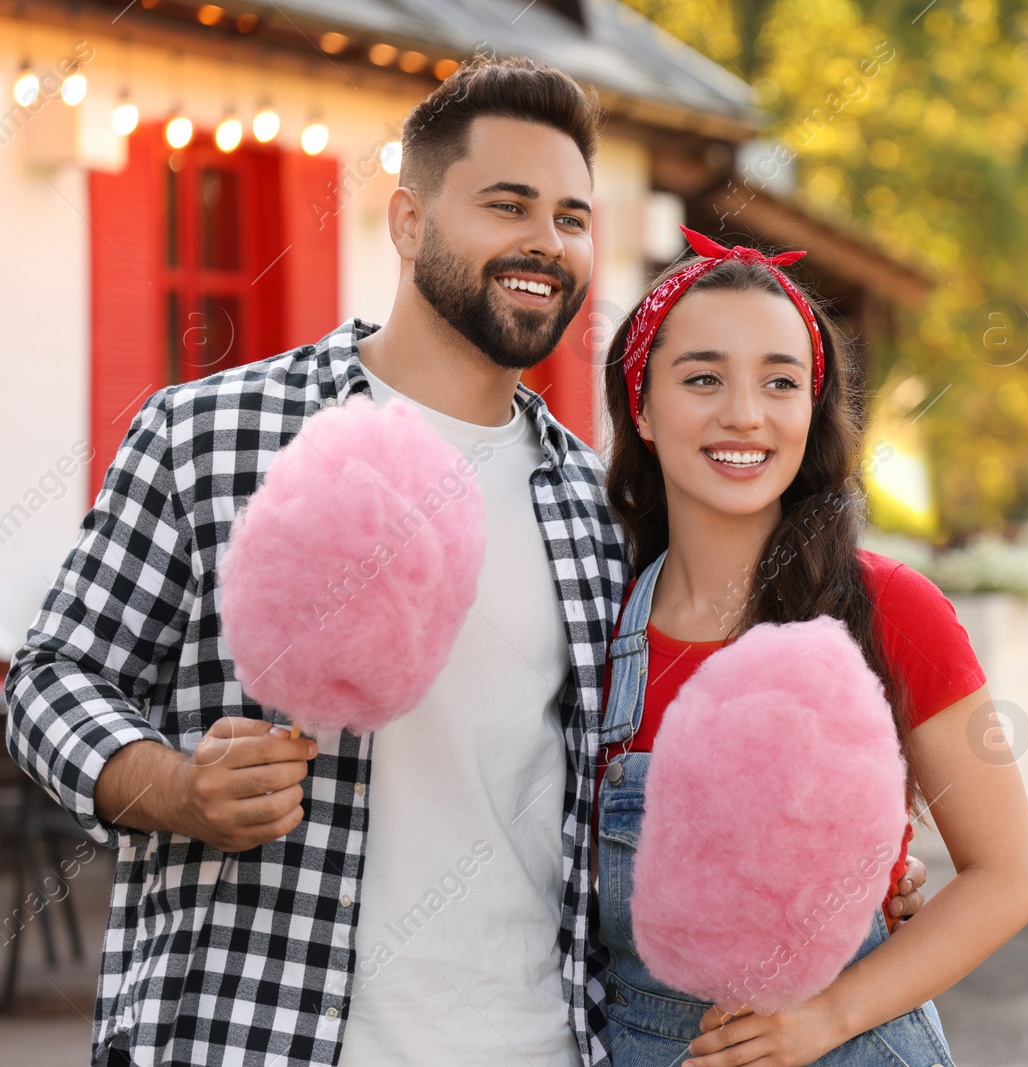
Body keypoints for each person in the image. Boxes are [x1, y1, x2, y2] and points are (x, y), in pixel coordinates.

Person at [2, 55, 926, 1067]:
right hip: (255, 1032)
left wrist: (841, 853)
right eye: (508, 204)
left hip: (539, 1040)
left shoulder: (604, 509)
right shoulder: (212, 432)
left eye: (573, 218)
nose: (547, 242)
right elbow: (50, 680)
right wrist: (177, 788)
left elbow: (652, 774)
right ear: (407, 221)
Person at [593, 228, 1028, 1067]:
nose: (744, 413)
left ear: (813, 407)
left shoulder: (889, 610)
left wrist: (828, 1014)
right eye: (703, 378)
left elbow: (1009, 875)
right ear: (644, 408)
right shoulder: (593, 622)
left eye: (780, 381)